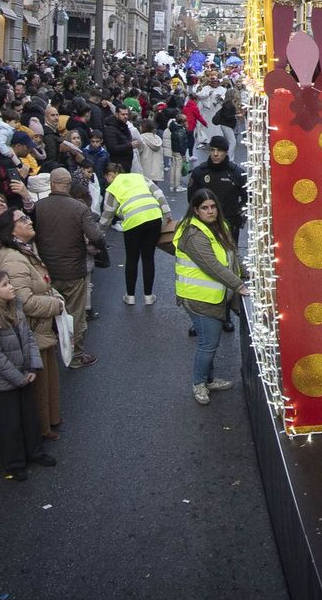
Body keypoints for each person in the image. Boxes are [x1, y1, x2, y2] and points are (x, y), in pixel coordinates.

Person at [0, 209, 65, 443]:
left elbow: (39, 284)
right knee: (39, 384)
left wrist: (54, 295)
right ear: (11, 230)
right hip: (34, 329)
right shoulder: (13, 259)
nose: (29, 221)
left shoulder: (22, 251)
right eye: (22, 219)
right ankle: (41, 428)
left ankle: (47, 422)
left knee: (47, 380)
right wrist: (56, 304)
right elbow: (24, 301)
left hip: (40, 328)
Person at [0, 270, 53, 481]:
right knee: (10, 423)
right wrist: (18, 378)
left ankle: (35, 452)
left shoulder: (16, 306)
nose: (12, 287)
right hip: (5, 381)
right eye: (6, 285)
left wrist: (33, 367)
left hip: (25, 372)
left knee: (29, 416)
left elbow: (28, 337)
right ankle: (14, 463)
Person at [174, 190, 244, 406]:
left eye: (213, 207)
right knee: (208, 343)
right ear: (196, 210)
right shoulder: (194, 234)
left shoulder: (219, 226)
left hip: (213, 296)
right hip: (198, 298)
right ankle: (199, 384)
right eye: (205, 208)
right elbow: (212, 266)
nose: (210, 211)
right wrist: (239, 285)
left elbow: (231, 254)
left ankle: (209, 379)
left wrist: (245, 271)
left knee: (210, 342)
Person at [32, 168, 103, 370]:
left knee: (49, 312)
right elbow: (96, 236)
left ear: (52, 184)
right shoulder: (79, 208)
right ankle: (76, 354)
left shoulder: (38, 207)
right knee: (75, 314)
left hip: (46, 271)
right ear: (69, 184)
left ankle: (50, 350)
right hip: (73, 270)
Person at [101, 161, 171, 306]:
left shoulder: (112, 188)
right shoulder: (139, 177)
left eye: (106, 178)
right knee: (148, 257)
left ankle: (130, 296)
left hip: (133, 221)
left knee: (132, 258)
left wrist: (99, 234)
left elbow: (107, 214)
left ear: (110, 175)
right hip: (153, 216)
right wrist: (166, 212)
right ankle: (149, 296)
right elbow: (158, 192)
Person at [189, 136, 248, 241]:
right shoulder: (199, 172)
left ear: (226, 152)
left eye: (219, 150)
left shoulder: (236, 173)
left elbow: (248, 197)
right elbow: (191, 199)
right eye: (212, 150)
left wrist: (239, 215)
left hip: (230, 222)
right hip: (205, 224)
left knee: (229, 254)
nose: (215, 154)